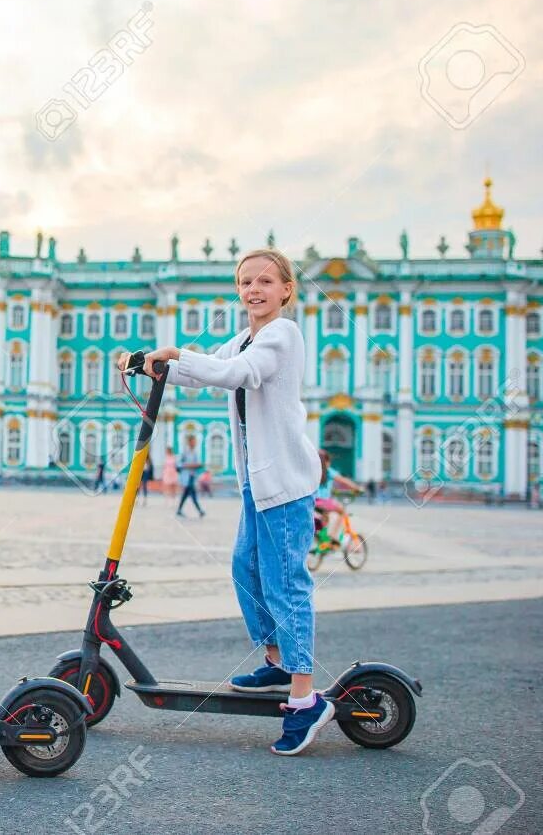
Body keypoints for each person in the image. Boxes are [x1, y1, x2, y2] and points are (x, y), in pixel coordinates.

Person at [119, 248, 329, 756]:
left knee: (285, 583)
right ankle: (279, 661)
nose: (253, 290)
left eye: (264, 281)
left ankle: (305, 700)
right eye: (244, 282)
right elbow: (211, 368)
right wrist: (153, 365)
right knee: (245, 568)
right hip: (259, 484)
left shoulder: (283, 334)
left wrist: (175, 354)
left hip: (286, 484)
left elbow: (240, 374)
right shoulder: (244, 338)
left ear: (285, 290)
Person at [315, 449, 362, 544]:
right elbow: (343, 480)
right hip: (323, 501)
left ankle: (322, 538)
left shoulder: (314, 471)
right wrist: (357, 488)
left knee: (325, 518)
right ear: (327, 462)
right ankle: (332, 535)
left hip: (313, 501)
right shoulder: (329, 471)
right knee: (341, 511)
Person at [175, 434, 205, 518]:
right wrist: (190, 465)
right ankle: (200, 510)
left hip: (192, 476)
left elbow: (196, 464)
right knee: (192, 493)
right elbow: (179, 464)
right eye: (193, 441)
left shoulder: (195, 452)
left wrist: (198, 465)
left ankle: (179, 510)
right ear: (190, 442)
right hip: (186, 477)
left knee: (186, 494)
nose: (195, 443)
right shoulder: (184, 452)